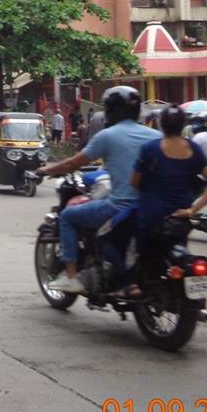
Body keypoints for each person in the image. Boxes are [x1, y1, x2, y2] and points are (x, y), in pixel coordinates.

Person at [35, 86, 161, 293]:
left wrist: (47, 169)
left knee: (67, 216)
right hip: (152, 208)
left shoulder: (108, 136)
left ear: (110, 110)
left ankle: (72, 276)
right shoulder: (155, 136)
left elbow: (73, 163)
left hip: (119, 207)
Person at [103, 107, 207, 296]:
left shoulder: (150, 149)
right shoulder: (193, 148)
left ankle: (130, 284)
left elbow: (135, 182)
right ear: (184, 125)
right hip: (180, 218)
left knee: (110, 236)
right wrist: (192, 210)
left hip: (151, 215)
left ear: (161, 125)